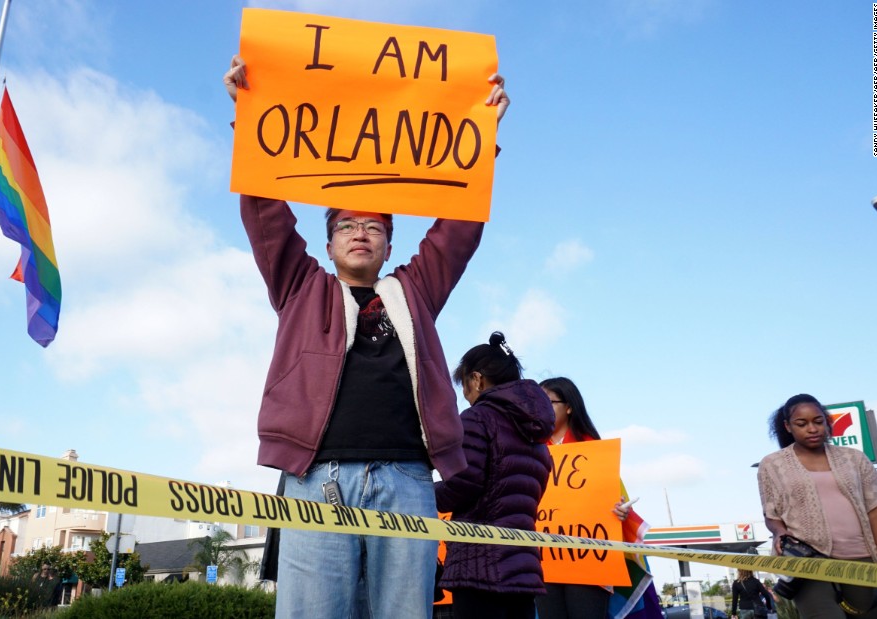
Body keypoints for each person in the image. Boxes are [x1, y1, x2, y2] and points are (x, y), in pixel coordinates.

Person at [223, 55, 509, 619]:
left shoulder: (417, 290)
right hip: (314, 480)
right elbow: (266, 217)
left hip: (406, 480)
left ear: (388, 244)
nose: (360, 233)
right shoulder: (301, 287)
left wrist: (484, 137)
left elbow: (459, 229)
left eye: (374, 227)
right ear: (328, 246)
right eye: (347, 227)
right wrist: (248, 119)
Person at [434, 332, 554, 619]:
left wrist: (421, 492)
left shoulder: (477, 418)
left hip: (480, 566)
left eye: (463, 385)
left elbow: (463, 484)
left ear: (477, 379)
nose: (465, 395)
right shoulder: (536, 433)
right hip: (523, 569)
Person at [536, 377, 661, 619]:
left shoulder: (594, 450)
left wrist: (620, 512)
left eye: (548, 403)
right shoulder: (532, 450)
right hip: (545, 561)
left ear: (569, 406)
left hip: (589, 561)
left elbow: (615, 499)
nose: (540, 410)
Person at [758, 393, 877, 618]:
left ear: (826, 422)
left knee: (862, 611)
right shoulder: (772, 464)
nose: (812, 429)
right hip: (807, 559)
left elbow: (876, 510)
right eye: (801, 423)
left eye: (818, 421)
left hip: (860, 555)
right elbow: (771, 512)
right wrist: (779, 533)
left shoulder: (854, 458)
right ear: (787, 426)